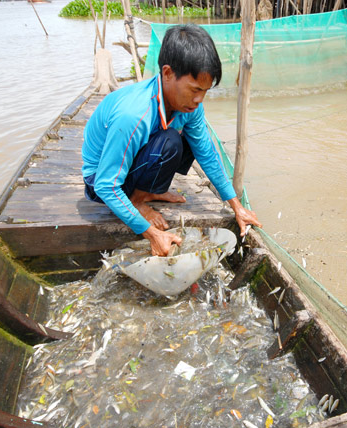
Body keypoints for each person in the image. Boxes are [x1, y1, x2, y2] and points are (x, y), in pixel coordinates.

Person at [82, 24, 261, 256]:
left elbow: (206, 152)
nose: (198, 99)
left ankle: (147, 191)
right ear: (167, 73)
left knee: (192, 140)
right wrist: (151, 233)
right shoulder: (133, 115)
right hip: (99, 181)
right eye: (194, 89)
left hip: (130, 166)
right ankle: (137, 200)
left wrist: (236, 206)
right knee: (169, 141)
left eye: (205, 92)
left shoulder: (190, 107)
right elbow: (105, 185)